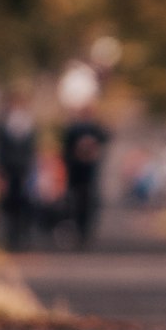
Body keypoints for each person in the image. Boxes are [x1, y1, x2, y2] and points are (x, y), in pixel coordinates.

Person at [0, 90, 37, 251]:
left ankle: (22, 235)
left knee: (24, 203)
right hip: (8, 170)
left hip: (23, 170)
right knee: (8, 204)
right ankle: (10, 238)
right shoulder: (2, 124)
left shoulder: (29, 124)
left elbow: (31, 149)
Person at [61, 104, 111, 247]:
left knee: (89, 204)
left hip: (89, 174)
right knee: (75, 204)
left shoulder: (95, 129)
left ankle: (85, 232)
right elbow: (66, 150)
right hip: (77, 173)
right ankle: (78, 230)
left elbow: (104, 138)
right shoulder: (74, 129)